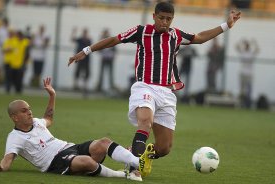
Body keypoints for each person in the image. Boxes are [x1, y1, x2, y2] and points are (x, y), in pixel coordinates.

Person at [68, 1, 241, 175]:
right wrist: (87, 50)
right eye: (161, 18)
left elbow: (200, 38)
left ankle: (135, 153)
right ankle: (134, 170)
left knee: (164, 148)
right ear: (154, 17)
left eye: (169, 19)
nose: (165, 22)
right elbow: (114, 40)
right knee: (145, 122)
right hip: (145, 87)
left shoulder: (176, 35)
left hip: (166, 93)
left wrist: (227, 25)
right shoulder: (141, 32)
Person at [0, 77, 153, 182]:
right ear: (14, 117)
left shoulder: (36, 122)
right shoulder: (14, 137)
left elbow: (48, 119)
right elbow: (6, 162)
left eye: (28, 109)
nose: (29, 112)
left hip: (70, 148)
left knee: (103, 142)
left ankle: (138, 163)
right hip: (55, 162)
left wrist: (52, 96)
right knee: (87, 161)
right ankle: (122, 175)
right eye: (23, 110)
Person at [235, 39, 259, 108]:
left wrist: (254, 43)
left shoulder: (251, 53)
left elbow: (257, 50)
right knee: (242, 90)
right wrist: (241, 41)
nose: (247, 46)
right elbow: (236, 47)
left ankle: (248, 104)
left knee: (249, 89)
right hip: (242, 73)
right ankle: (241, 104)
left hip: (249, 74)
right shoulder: (243, 53)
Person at [70, 27, 92, 92]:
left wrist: (85, 55)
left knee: (86, 72)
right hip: (79, 59)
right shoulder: (80, 39)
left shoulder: (89, 40)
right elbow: (72, 39)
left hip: (86, 59)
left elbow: (91, 48)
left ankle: (85, 86)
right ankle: (76, 85)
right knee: (78, 71)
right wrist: (74, 32)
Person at [96, 28, 117, 93]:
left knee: (110, 73)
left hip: (110, 59)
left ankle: (111, 86)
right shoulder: (102, 40)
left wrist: (113, 56)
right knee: (101, 73)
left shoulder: (111, 40)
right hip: (104, 58)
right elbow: (98, 48)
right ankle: (99, 87)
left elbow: (115, 49)